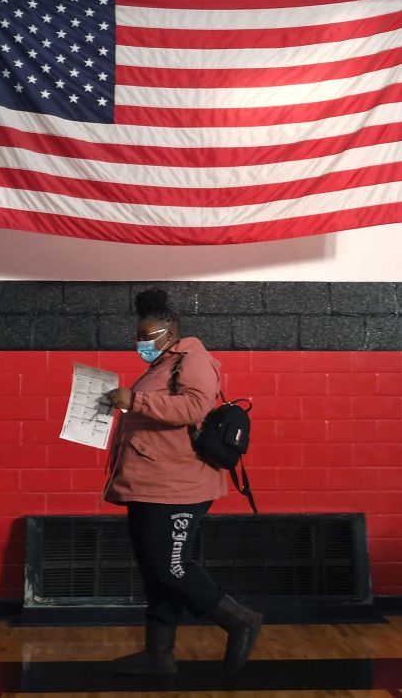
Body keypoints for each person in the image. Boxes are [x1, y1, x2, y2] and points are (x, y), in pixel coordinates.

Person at [102, 287, 263, 676]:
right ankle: (158, 654)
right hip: (149, 484)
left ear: (170, 333)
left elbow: (194, 406)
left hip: (179, 485)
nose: (140, 342)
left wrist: (133, 400)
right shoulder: (159, 365)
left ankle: (240, 620)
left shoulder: (193, 360)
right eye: (137, 336)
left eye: (148, 336)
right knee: (154, 571)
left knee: (172, 568)